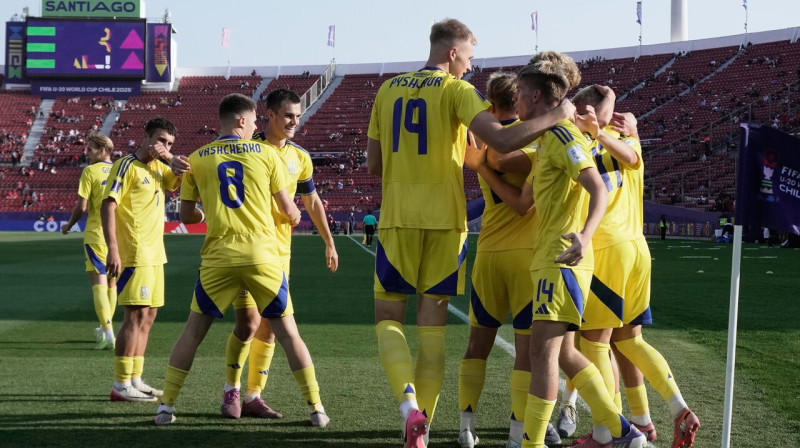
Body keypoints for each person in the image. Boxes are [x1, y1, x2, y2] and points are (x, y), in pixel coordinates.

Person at [366, 19, 573, 448]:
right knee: (433, 333)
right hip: (446, 222)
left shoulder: (386, 90)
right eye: (470, 59)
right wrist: (558, 115)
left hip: (397, 218)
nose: (469, 68)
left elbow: (374, 165)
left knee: (389, 320)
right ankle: (421, 429)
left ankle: (409, 411)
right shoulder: (458, 92)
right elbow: (500, 136)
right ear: (454, 53)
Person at [153, 94, 319, 427]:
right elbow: (290, 211)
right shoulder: (268, 154)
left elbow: (187, 214)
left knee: (192, 334)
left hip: (219, 257)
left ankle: (165, 408)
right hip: (263, 256)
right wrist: (296, 215)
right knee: (287, 333)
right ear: (241, 120)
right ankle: (316, 409)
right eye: (254, 120)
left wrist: (206, 210)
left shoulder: (197, 160)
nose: (256, 125)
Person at [508, 61, 645, 448]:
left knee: (542, 353)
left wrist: (585, 235)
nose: (515, 100)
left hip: (562, 256)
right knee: (566, 352)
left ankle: (532, 442)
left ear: (536, 96)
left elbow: (596, 187)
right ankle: (622, 432)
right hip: (553, 256)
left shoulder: (563, 134)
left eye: (519, 93)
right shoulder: (550, 135)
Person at [570, 89, 700, 448]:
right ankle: (676, 410)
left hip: (605, 249)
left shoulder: (578, 141)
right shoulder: (629, 139)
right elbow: (630, 155)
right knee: (630, 340)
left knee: (594, 342)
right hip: (637, 248)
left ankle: (607, 433)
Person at [216, 89, 338, 423]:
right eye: (287, 115)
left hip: (280, 253)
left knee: (269, 328)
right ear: (268, 114)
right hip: (246, 249)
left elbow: (312, 201)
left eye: (297, 116)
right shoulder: (245, 148)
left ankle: (254, 395)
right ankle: (232, 389)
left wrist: (328, 240)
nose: (294, 122)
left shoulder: (299, 156)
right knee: (248, 323)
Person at [458, 71, 561, 448]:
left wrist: (480, 163)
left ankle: (465, 427)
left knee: (476, 345)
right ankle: (518, 434)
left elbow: (493, 160)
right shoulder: (535, 142)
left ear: (490, 104)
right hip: (526, 256)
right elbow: (509, 171)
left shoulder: (482, 140)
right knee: (527, 352)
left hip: (488, 253)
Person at [101, 118, 180, 402]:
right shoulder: (126, 165)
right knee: (134, 316)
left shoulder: (159, 168)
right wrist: (112, 248)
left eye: (170, 143)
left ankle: (135, 377)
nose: (164, 147)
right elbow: (108, 204)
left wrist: (170, 158)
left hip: (155, 253)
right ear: (146, 137)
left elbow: (183, 176)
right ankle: (120, 384)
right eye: (160, 140)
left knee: (149, 316)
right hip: (134, 252)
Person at [62, 132, 117, 350]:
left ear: (103, 150)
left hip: (96, 234)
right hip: (117, 237)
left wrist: (68, 225)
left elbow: (82, 207)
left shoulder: (90, 172)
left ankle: (108, 334)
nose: (87, 153)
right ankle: (105, 328)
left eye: (91, 149)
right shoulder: (120, 169)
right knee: (112, 284)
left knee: (99, 285)